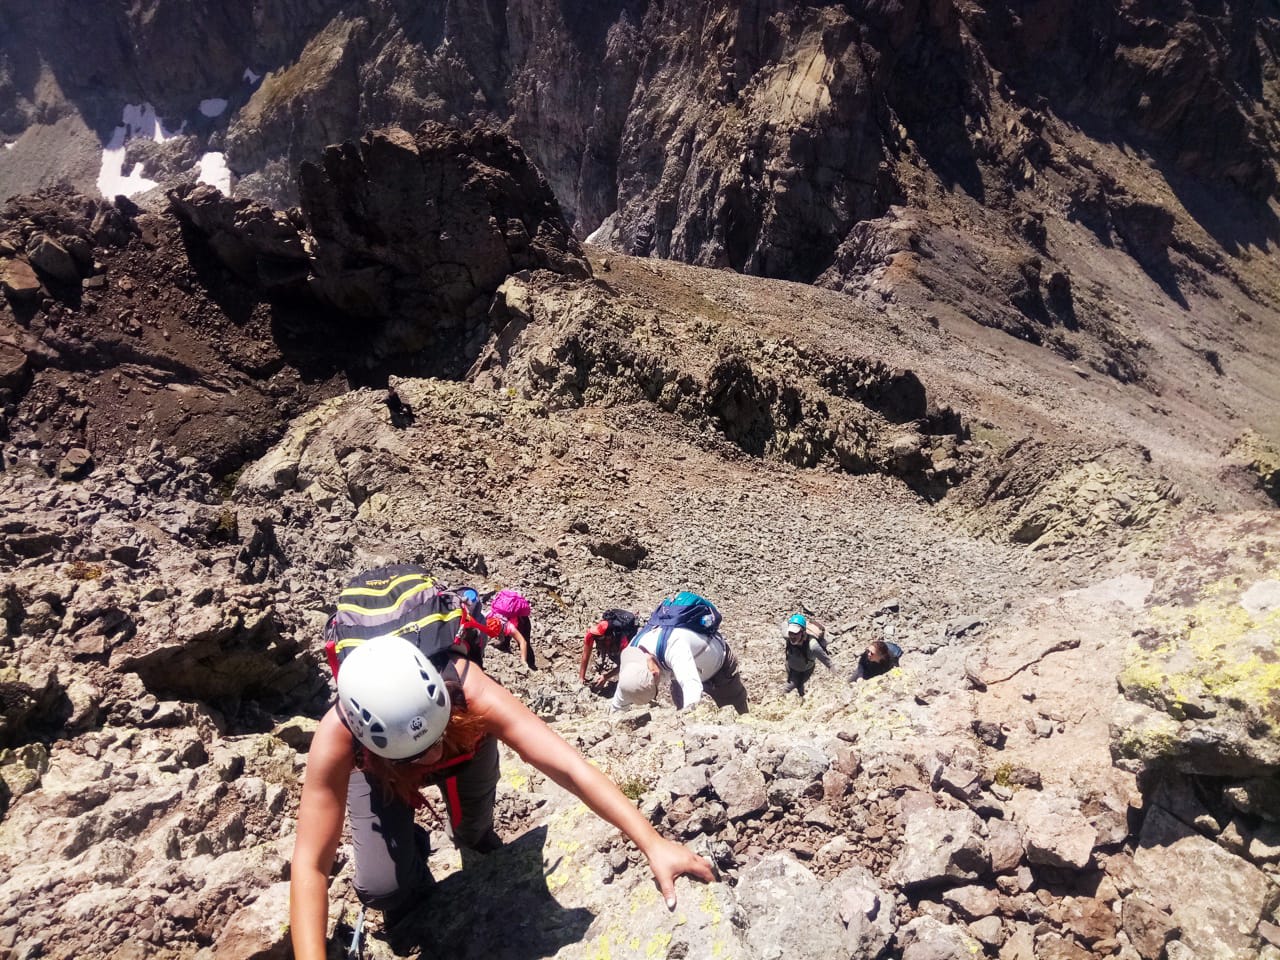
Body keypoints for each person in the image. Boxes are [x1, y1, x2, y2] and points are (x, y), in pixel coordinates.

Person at [290, 635, 714, 960]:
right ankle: (409, 872)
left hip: (466, 738)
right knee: (382, 888)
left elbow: (568, 766)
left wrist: (652, 842)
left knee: (473, 831)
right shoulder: (339, 737)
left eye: (434, 738)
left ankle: (469, 837)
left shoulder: (468, 688)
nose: (431, 757)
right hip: (385, 772)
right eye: (418, 754)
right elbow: (310, 864)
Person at [611, 593, 748, 714]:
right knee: (680, 707)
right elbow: (619, 701)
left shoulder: (674, 645)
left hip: (718, 670)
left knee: (734, 708)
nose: (658, 684)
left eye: (656, 685)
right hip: (679, 672)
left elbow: (692, 687)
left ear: (654, 673)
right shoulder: (632, 658)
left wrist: (688, 725)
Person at [578, 608, 639, 694]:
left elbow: (625, 664)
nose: (596, 636)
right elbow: (585, 655)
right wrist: (581, 677)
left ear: (608, 637)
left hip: (622, 645)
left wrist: (606, 677)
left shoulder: (622, 640)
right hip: (610, 644)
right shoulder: (591, 634)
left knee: (626, 664)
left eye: (599, 636)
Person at [782, 613, 833, 699]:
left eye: (795, 633)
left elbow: (828, 662)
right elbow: (783, 624)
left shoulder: (813, 646)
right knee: (797, 685)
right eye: (791, 632)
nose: (792, 636)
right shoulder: (786, 635)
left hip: (805, 670)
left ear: (803, 632)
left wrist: (841, 681)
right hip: (790, 667)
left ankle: (784, 698)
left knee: (790, 687)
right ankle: (801, 695)